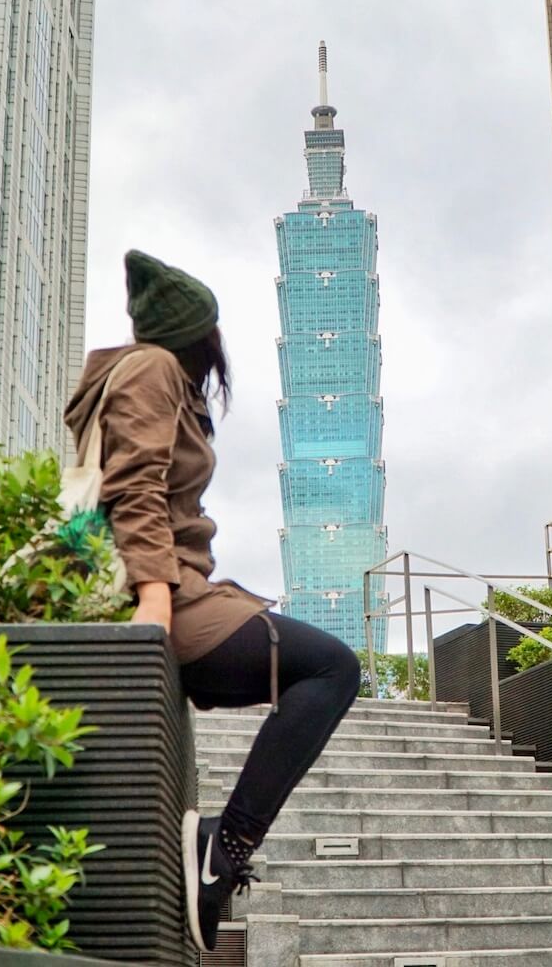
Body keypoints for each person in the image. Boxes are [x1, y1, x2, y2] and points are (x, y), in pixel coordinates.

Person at [64, 250, 362, 953]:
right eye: (212, 332)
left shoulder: (143, 374)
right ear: (196, 333)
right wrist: (156, 603)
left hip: (175, 585)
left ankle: (219, 847)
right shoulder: (153, 368)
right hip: (161, 593)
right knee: (331, 670)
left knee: (320, 668)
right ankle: (221, 849)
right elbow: (133, 487)